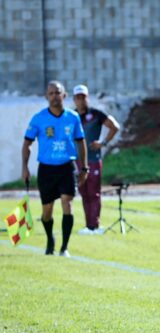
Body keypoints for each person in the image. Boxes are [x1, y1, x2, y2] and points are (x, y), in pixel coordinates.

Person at [21, 81, 87, 257]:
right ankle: (50, 239)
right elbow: (27, 144)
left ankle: (64, 247)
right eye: (51, 93)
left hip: (67, 167)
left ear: (64, 95)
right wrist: (24, 167)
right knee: (47, 211)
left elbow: (81, 142)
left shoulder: (73, 117)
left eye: (57, 93)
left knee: (67, 202)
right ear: (46, 97)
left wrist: (84, 168)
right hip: (46, 169)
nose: (54, 96)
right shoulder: (39, 118)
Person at [72, 84, 121, 234]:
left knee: (94, 192)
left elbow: (114, 126)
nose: (81, 100)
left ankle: (95, 225)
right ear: (74, 99)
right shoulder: (72, 116)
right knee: (84, 193)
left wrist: (103, 143)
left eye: (83, 97)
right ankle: (88, 225)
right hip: (78, 161)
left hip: (93, 159)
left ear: (87, 98)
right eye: (78, 97)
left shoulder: (96, 114)